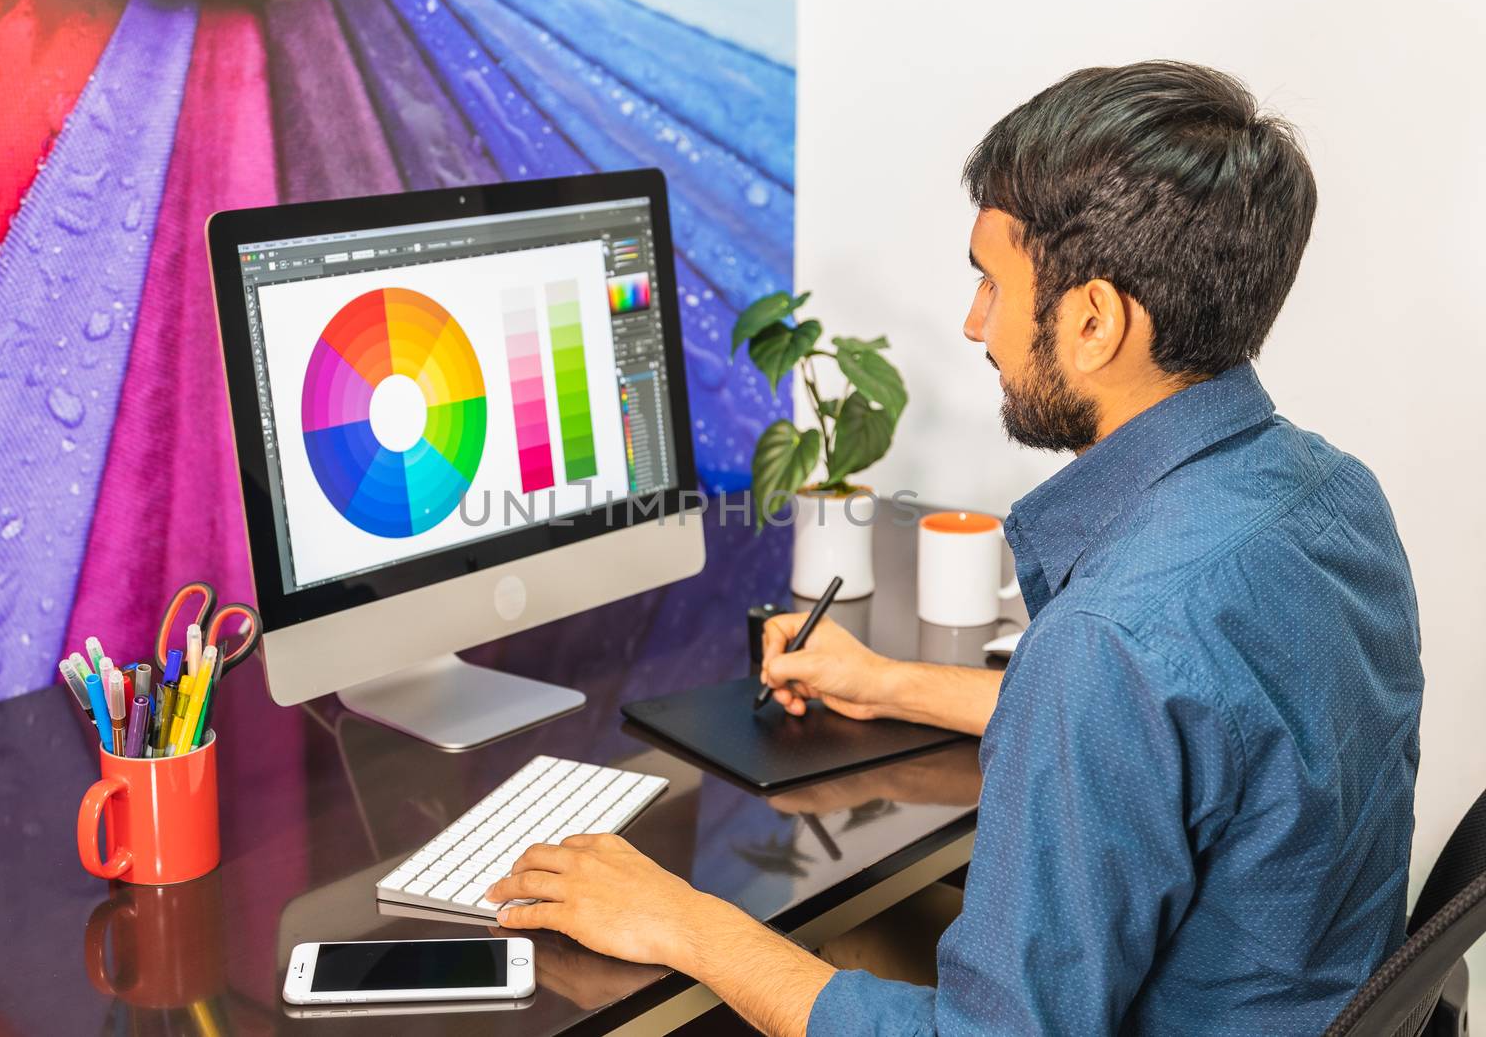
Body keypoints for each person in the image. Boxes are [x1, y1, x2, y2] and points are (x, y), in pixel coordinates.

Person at [483, 60, 1424, 1035]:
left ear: (1093, 319)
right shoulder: (1332, 498)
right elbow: (1186, 728)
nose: (975, 322)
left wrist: (684, 921)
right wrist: (893, 685)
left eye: (991, 281)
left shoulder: (1108, 644)